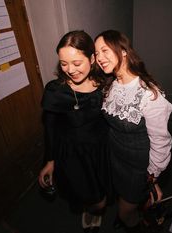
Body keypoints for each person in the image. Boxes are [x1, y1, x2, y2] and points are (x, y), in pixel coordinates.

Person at [94, 30, 172, 233]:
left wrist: (152, 177)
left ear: (123, 51)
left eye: (104, 50)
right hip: (116, 158)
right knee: (121, 197)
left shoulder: (149, 95)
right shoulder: (111, 84)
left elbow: (161, 142)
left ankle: (133, 223)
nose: (99, 58)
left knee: (125, 212)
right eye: (97, 53)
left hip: (137, 168)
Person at [38, 30, 109, 233]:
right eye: (63, 63)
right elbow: (49, 128)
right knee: (80, 193)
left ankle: (93, 210)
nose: (70, 69)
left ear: (92, 58)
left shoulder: (106, 85)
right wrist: (50, 161)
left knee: (100, 200)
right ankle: (88, 209)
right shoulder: (55, 90)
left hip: (100, 152)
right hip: (71, 154)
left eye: (77, 63)